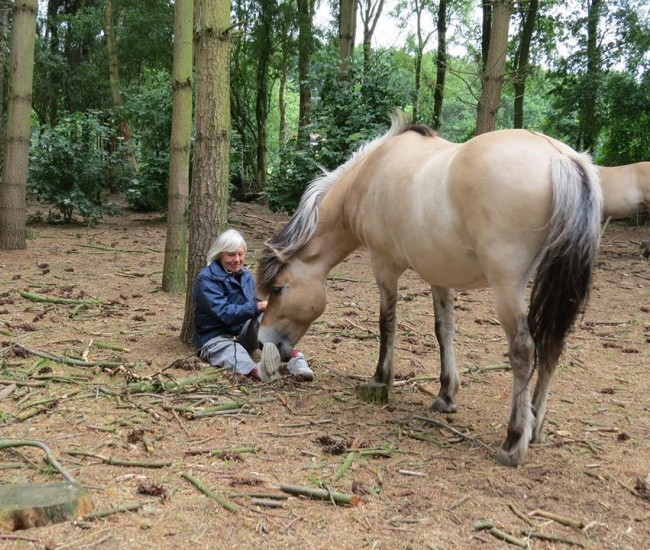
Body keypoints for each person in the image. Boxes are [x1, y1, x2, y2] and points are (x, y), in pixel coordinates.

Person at [193, 229, 314, 381]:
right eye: (231, 254)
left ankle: (294, 359)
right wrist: (258, 306)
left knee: (265, 317)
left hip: (241, 334)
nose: (237, 259)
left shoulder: (245, 276)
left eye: (240, 254)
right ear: (220, 255)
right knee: (232, 351)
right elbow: (224, 313)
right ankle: (258, 371)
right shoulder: (206, 279)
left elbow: (258, 303)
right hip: (214, 338)